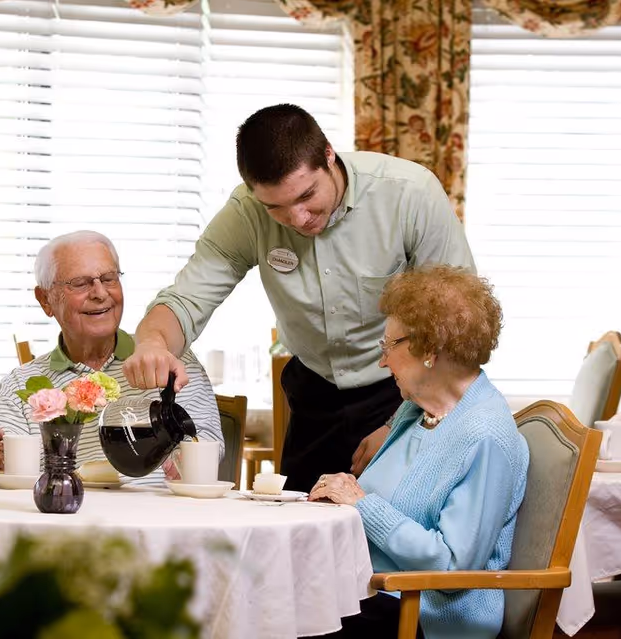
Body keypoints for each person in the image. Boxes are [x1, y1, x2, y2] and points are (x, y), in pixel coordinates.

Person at [122, 104, 475, 491]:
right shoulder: (247, 212)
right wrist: (153, 342)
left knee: (390, 532)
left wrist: (399, 423)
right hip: (314, 397)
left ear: (328, 154)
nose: (299, 219)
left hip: (402, 392)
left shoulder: (410, 194)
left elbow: (456, 323)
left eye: (307, 195)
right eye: (277, 207)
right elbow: (185, 300)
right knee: (299, 532)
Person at [308, 266, 529, 639]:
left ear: (429, 349)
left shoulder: (485, 436)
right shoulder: (418, 412)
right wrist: (344, 495)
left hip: (426, 616)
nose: (383, 361)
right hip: (378, 592)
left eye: (388, 346)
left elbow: (453, 568)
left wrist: (361, 505)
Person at [0, 231, 223, 486]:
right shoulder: (19, 386)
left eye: (109, 278)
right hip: (62, 522)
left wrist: (182, 457)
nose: (100, 293)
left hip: (159, 518)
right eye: (80, 283)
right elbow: (7, 465)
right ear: (45, 300)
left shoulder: (169, 359)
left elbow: (207, 446)